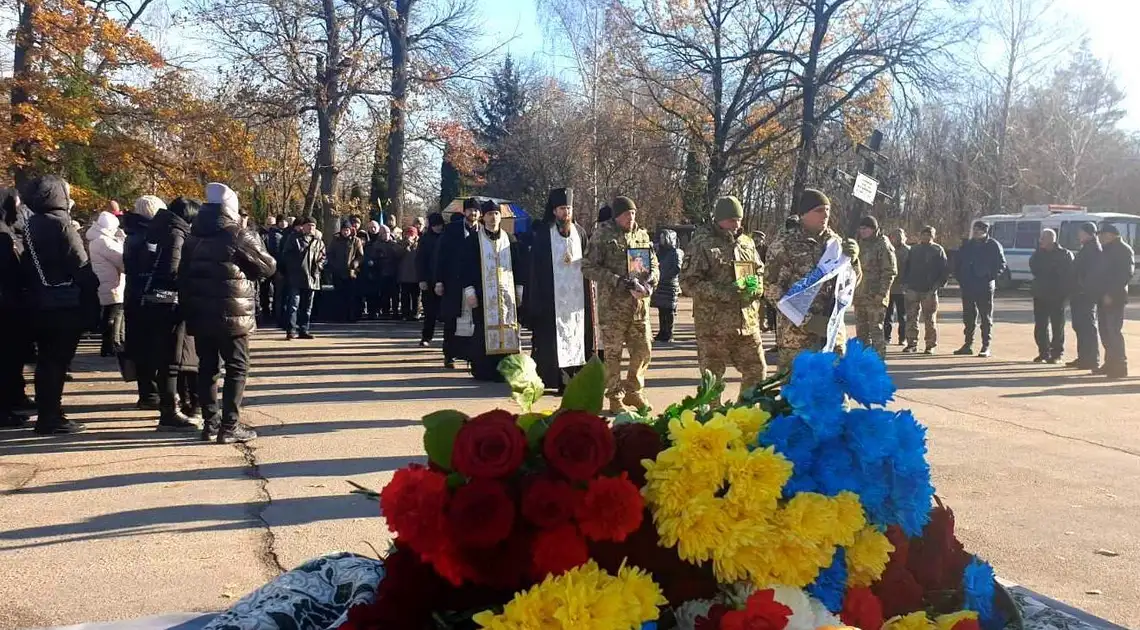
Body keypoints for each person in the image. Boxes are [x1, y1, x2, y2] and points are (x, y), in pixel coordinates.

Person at [179, 183, 276, 443]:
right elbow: (267, 268)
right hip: (234, 315)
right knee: (236, 367)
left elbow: (182, 275)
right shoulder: (238, 235)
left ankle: (210, 424)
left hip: (201, 313)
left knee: (207, 368)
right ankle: (230, 426)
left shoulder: (192, 236)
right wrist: (251, 234)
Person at [21, 176, 99, 434]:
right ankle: (52, 415)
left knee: (46, 360)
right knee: (57, 360)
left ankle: (47, 411)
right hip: (64, 302)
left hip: (38, 301)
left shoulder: (32, 223)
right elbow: (80, 265)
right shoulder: (62, 225)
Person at [764, 189, 860, 370]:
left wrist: (854, 262)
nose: (825, 215)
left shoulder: (836, 244)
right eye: (819, 210)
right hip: (797, 337)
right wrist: (808, 321)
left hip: (832, 335)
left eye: (828, 209)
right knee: (798, 394)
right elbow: (770, 289)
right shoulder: (784, 245)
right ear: (803, 214)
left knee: (834, 392)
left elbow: (850, 286)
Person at [681, 196, 765, 402]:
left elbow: (760, 271)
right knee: (713, 381)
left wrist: (756, 287)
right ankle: (714, 422)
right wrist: (724, 292)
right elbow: (687, 282)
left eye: (739, 219)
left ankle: (743, 413)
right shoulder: (701, 243)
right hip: (713, 326)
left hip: (747, 323)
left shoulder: (747, 242)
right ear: (718, 219)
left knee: (757, 371)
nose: (736, 225)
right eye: (731, 220)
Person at [582, 196, 659, 414]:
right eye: (626, 214)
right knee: (613, 355)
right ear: (617, 216)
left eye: (633, 213)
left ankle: (634, 391)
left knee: (643, 350)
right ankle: (615, 398)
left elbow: (654, 264)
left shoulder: (642, 235)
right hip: (614, 308)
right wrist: (617, 280)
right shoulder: (602, 235)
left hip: (639, 308)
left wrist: (651, 281)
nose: (630, 217)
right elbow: (587, 267)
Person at [137, 197, 202, 431]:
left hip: (154, 300)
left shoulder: (158, 230)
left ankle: (174, 406)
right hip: (169, 302)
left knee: (170, 358)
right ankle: (169, 411)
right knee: (172, 359)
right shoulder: (176, 234)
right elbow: (172, 270)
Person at [524, 187, 596, 392]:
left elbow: (588, 263)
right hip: (551, 300)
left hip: (576, 301)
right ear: (554, 211)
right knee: (551, 342)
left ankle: (574, 380)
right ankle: (553, 379)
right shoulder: (543, 235)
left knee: (576, 336)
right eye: (562, 209)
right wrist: (536, 299)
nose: (566, 213)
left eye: (569, 208)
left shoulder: (580, 233)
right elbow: (535, 269)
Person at [454, 200, 525, 381]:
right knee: (482, 330)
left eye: (496, 214)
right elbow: (465, 266)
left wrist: (519, 289)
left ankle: (508, 368)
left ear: (501, 217)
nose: (493, 218)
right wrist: (469, 291)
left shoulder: (511, 239)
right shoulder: (473, 240)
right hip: (482, 294)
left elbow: (519, 265)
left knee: (509, 329)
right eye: (489, 215)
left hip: (507, 295)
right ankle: (484, 369)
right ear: (483, 218)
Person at [123, 195, 165, 409]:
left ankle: (147, 393)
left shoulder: (131, 234)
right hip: (149, 295)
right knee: (152, 346)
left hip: (134, 294)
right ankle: (151, 394)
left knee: (140, 346)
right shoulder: (149, 236)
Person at [0, 188, 34, 428]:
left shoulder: (9, 231)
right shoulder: (3, 236)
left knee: (13, 358)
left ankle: (13, 399)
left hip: (12, 304)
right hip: (6, 305)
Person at [434, 198, 482, 368]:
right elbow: (442, 256)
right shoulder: (452, 230)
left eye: (476, 211)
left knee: (473, 320)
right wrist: (439, 280)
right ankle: (449, 354)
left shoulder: (482, 231)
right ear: (464, 212)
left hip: (474, 282)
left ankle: (470, 354)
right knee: (452, 319)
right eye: (470, 210)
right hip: (452, 281)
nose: (473, 213)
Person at [953, 221, 1006, 358]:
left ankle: (985, 346)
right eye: (974, 229)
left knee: (985, 317)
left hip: (985, 286)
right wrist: (960, 278)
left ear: (985, 231)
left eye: (979, 230)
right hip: (968, 285)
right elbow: (957, 262)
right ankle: (968, 344)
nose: (975, 232)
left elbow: (1001, 264)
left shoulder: (993, 245)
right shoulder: (968, 245)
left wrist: (989, 276)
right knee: (968, 317)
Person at [853, 216, 897, 358]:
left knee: (876, 330)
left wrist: (882, 294)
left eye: (865, 228)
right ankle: (863, 361)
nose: (862, 231)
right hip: (860, 295)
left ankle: (878, 361)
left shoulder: (883, 244)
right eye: (861, 228)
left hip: (875, 296)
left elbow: (890, 271)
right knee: (861, 331)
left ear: (873, 229)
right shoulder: (860, 243)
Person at [1028, 228, 1073, 364]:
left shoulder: (1064, 254)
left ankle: (1056, 353)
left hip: (1057, 295)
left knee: (1057, 325)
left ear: (1051, 239)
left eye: (1043, 238)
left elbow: (1068, 274)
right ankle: (1043, 352)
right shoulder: (1038, 254)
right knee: (1040, 325)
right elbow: (1034, 268)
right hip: (1040, 294)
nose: (1040, 240)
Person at [902, 226, 949, 354]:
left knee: (929, 319)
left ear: (933, 236)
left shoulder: (938, 250)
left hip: (930, 290)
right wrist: (905, 284)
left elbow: (944, 271)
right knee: (911, 318)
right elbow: (906, 267)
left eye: (928, 235)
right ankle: (911, 343)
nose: (925, 237)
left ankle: (930, 344)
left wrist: (937, 286)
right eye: (923, 234)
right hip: (913, 289)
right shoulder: (914, 249)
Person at [1095, 223, 1134, 379]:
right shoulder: (1107, 249)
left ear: (1111, 235)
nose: (1100, 238)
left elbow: (1125, 275)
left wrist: (1111, 293)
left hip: (1115, 297)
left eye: (1102, 235)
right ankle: (1109, 363)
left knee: (1113, 331)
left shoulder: (1123, 250)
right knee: (1105, 331)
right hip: (1103, 296)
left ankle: (1120, 366)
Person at [86, 210, 126, 357]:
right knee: (114, 315)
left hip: (106, 281)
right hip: (112, 283)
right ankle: (112, 345)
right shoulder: (104, 241)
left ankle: (112, 344)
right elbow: (120, 259)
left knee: (113, 314)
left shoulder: (96, 239)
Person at [282, 216, 326, 340]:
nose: (311, 228)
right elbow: (286, 255)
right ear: (303, 226)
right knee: (293, 305)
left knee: (307, 306)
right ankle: (291, 330)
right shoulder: (294, 238)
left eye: (313, 226)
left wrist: (319, 266)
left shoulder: (318, 241)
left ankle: (304, 329)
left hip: (312, 277)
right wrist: (295, 265)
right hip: (296, 276)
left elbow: (323, 256)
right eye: (309, 225)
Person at [1068, 222, 1104, 370]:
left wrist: (1084, 287)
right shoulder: (1087, 248)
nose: (1079, 235)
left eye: (1081, 233)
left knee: (1087, 326)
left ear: (1089, 233)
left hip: (1085, 294)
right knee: (1080, 326)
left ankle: (1091, 359)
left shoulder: (1094, 249)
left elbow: (1092, 272)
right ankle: (1083, 357)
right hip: (1078, 292)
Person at [417, 212, 446, 346]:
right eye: (435, 225)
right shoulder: (425, 239)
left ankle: (448, 339)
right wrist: (421, 279)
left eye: (439, 225)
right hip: (429, 279)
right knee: (429, 311)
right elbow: (420, 260)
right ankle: (426, 337)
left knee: (446, 312)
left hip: (445, 278)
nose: (438, 228)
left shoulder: (447, 237)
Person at [326, 220, 364, 322]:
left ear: (350, 230)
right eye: (343, 230)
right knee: (339, 296)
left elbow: (360, 256)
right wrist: (334, 265)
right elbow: (329, 254)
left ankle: (351, 316)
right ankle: (340, 316)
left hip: (351, 272)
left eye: (347, 230)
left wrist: (355, 264)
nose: (345, 232)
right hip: (338, 272)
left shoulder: (356, 241)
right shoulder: (335, 240)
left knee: (351, 296)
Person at [651, 229, 682, 343]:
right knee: (662, 309)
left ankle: (668, 333)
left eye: (665, 238)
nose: (662, 240)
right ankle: (662, 331)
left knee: (669, 310)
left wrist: (666, 275)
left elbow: (677, 268)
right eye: (661, 237)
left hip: (670, 285)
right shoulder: (660, 251)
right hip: (661, 283)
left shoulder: (676, 252)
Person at [884, 227, 910, 346]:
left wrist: (907, 284)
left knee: (902, 315)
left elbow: (911, 269)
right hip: (888, 287)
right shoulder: (888, 249)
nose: (897, 239)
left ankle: (902, 338)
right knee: (887, 315)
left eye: (900, 236)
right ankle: (887, 337)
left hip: (902, 288)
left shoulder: (908, 251)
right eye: (895, 236)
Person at [398, 226, 420, 320]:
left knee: (416, 296)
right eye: (408, 234)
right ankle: (405, 313)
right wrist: (406, 246)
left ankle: (416, 312)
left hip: (416, 274)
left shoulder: (419, 244)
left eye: (412, 234)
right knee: (405, 295)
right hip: (404, 274)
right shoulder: (401, 244)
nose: (410, 236)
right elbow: (397, 255)